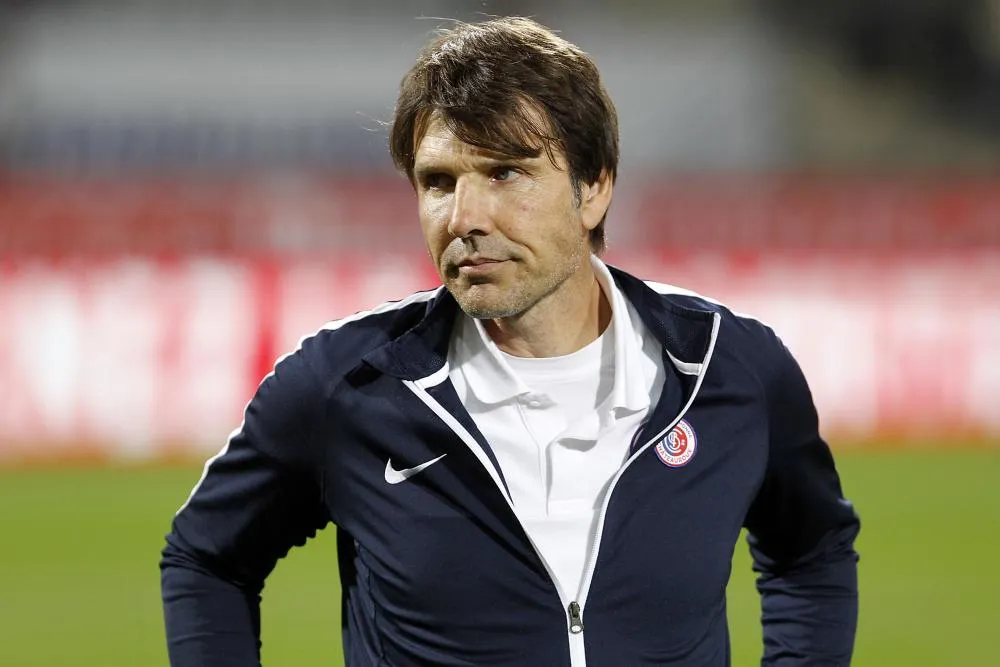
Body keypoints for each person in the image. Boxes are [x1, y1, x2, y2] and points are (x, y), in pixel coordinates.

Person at [161, 16, 860, 667]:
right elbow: (206, 557)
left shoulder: (727, 370)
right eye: (438, 182)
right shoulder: (347, 386)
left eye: (505, 173)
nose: (465, 218)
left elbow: (812, 551)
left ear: (594, 188)